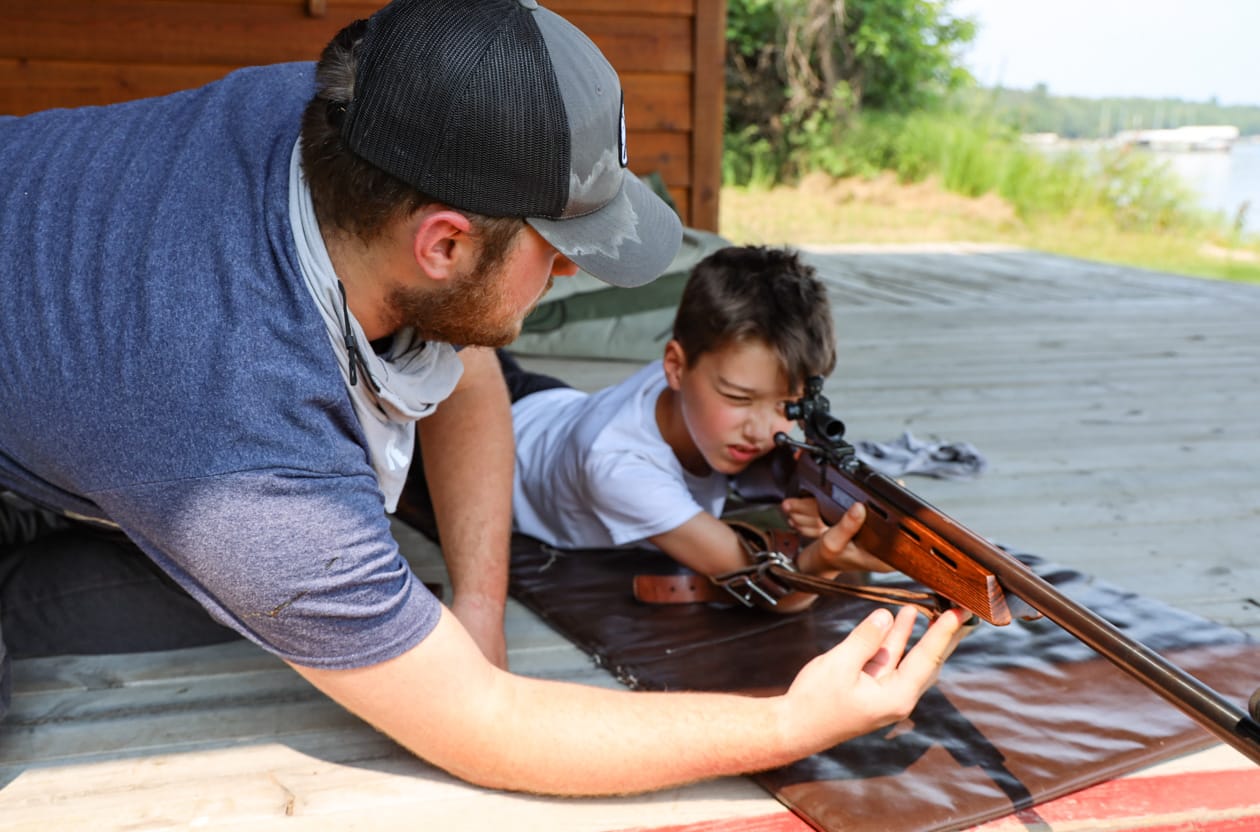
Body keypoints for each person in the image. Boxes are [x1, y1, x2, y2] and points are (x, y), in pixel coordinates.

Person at [0, 0, 968, 796]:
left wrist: (479, 602)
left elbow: (462, 353)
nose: (569, 273)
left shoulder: (364, 113)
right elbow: (485, 723)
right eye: (556, 248)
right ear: (445, 243)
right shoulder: (249, 443)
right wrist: (793, 721)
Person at [504, 245, 891, 612]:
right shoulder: (618, 467)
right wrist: (823, 559)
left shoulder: (708, 382)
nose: (762, 431)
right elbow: (768, 591)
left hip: (552, 405)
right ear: (675, 367)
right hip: (493, 446)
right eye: (739, 399)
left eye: (787, 405)